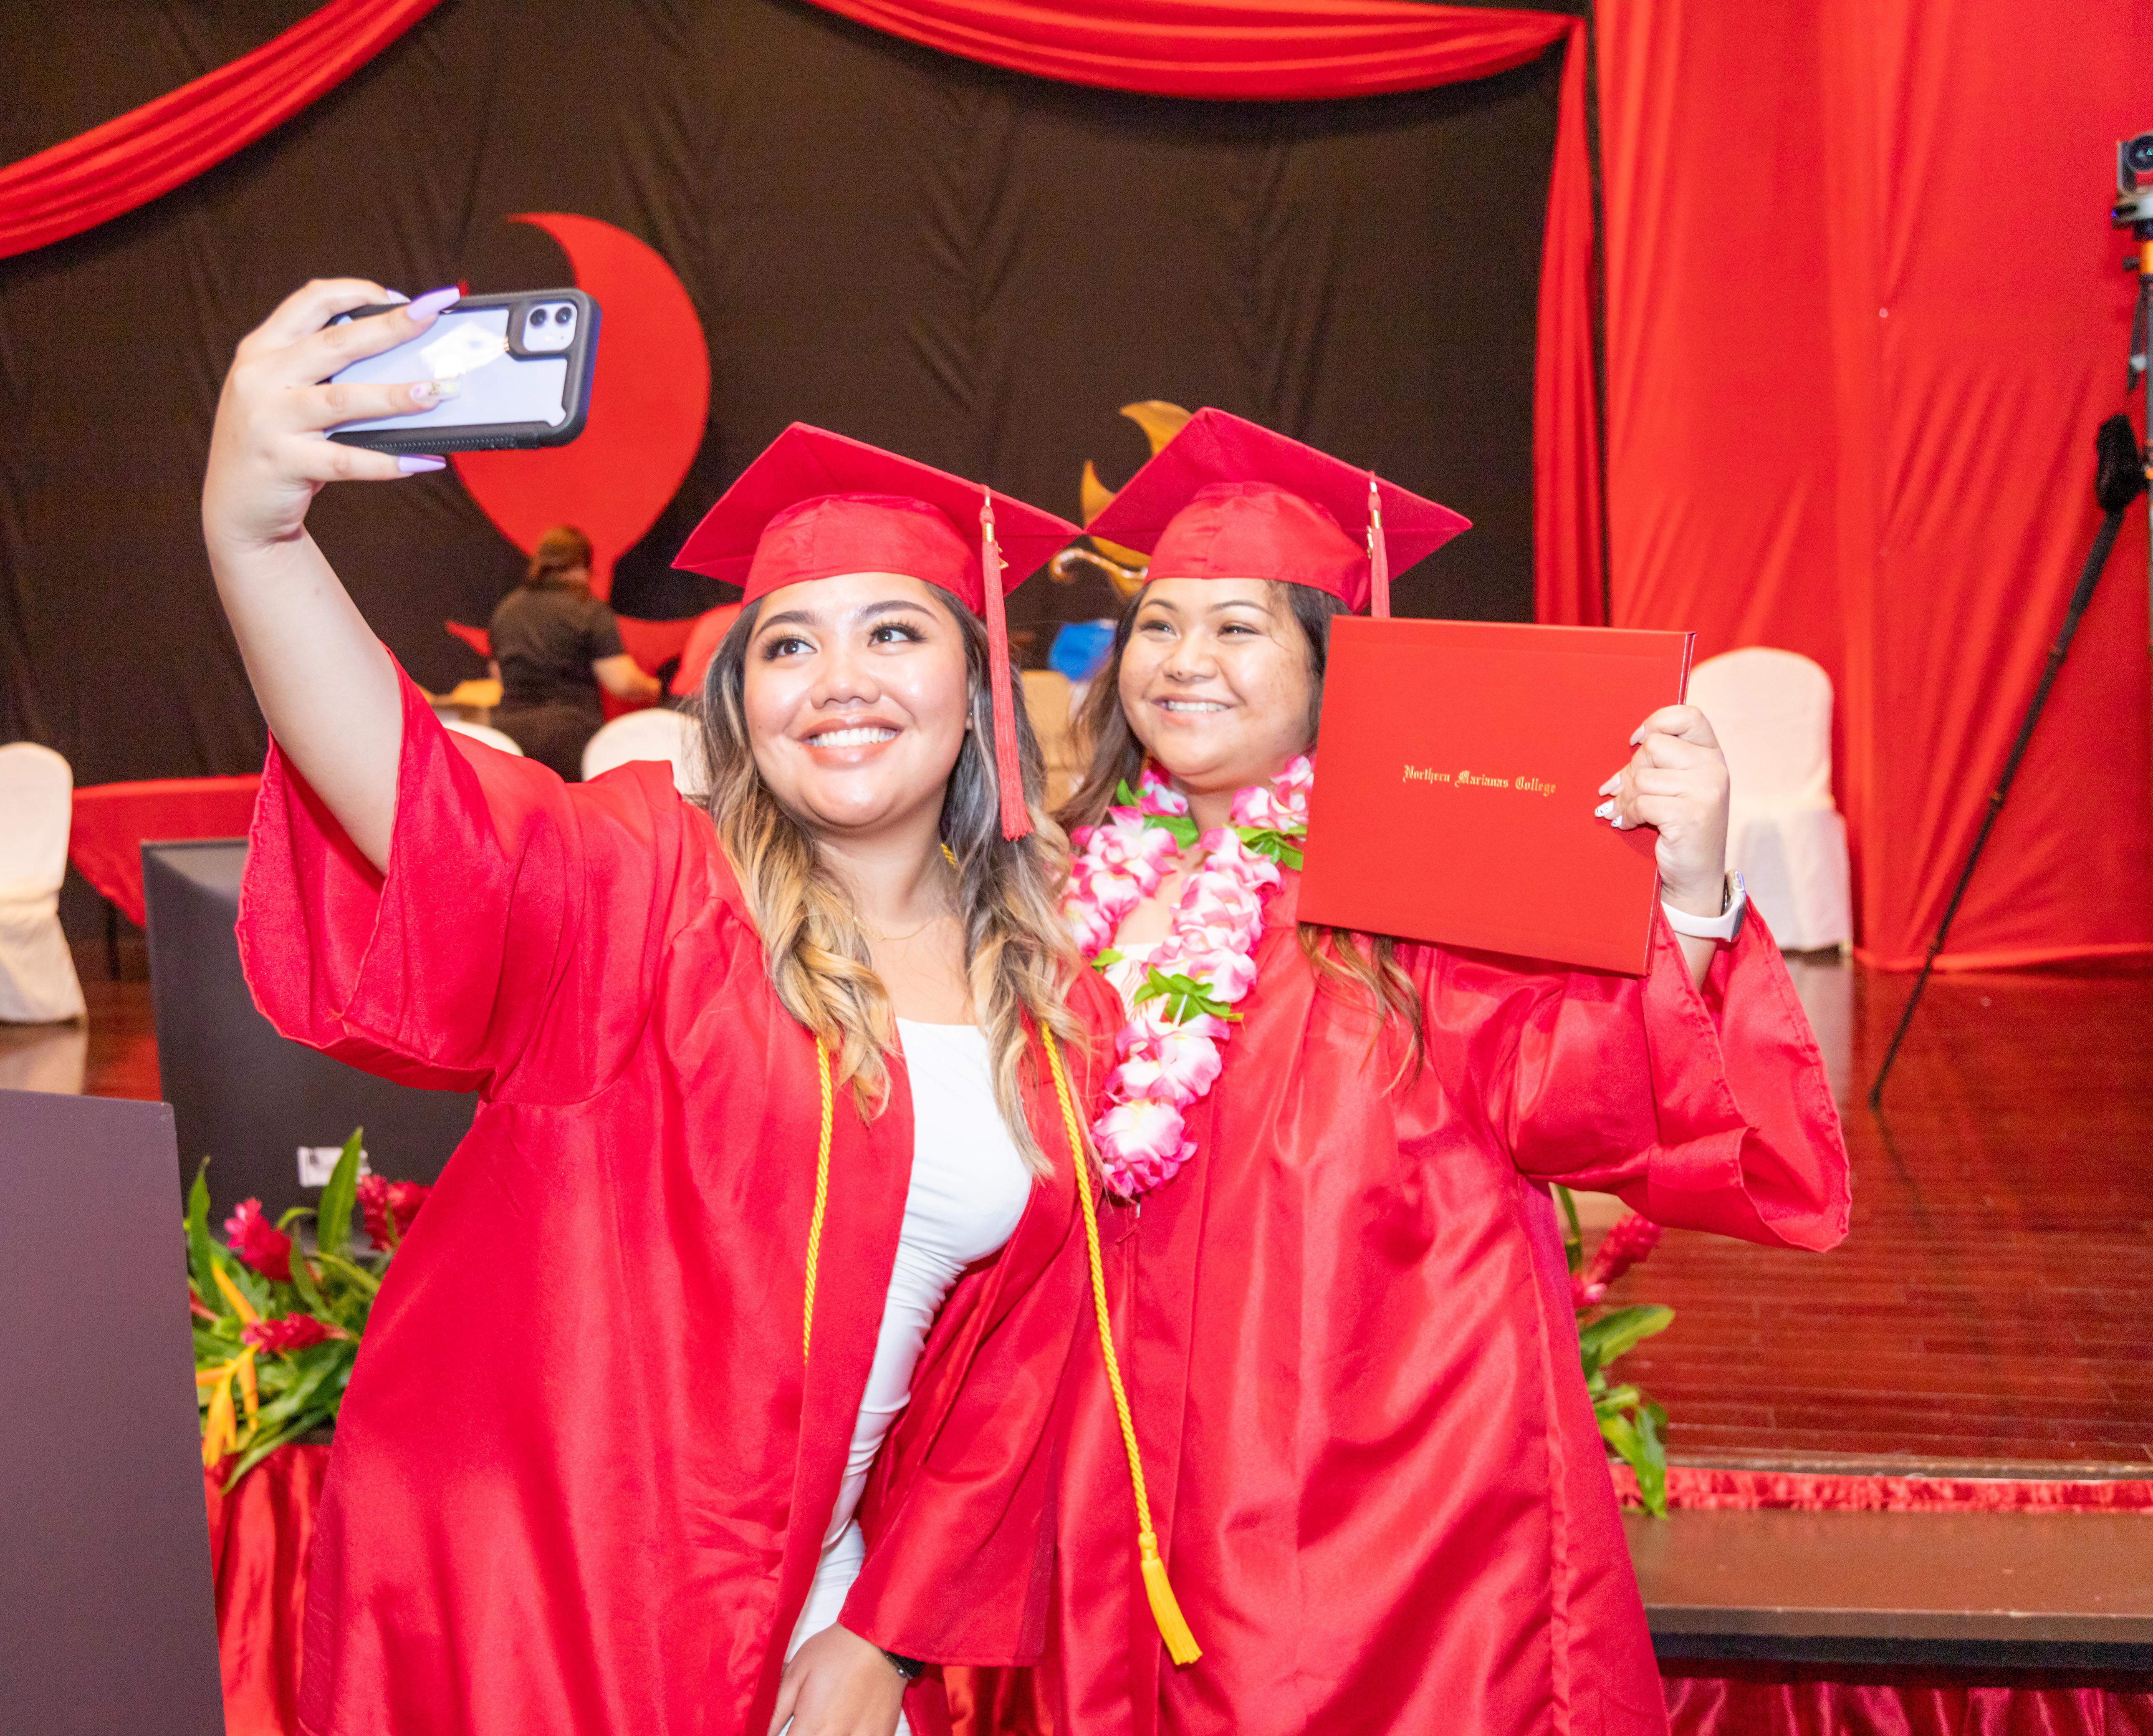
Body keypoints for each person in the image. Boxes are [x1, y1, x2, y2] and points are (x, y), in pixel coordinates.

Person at [201, 278, 1150, 1736]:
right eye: (786, 644)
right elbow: (427, 800)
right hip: (563, 1597)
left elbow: (1025, 1373)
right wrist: (257, 539)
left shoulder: (1057, 992)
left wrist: (886, 1636)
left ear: (981, 683)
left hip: (826, 1614)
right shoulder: (650, 878)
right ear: (740, 706)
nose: (837, 680)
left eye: (896, 632)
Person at [1018, 409, 1851, 1736]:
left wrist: (1688, 893)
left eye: (1239, 628)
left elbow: (1573, 1091)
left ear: (1328, 668)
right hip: (1107, 1487)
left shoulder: (1412, 893)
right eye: (1160, 626)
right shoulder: (1075, 893)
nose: (1184, 663)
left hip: (1369, 1497)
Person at [485, 523, 662, 779]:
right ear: (580, 568)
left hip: (509, 733)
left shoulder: (506, 610)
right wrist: (657, 689)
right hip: (570, 736)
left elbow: (499, 676)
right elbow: (623, 682)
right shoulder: (588, 610)